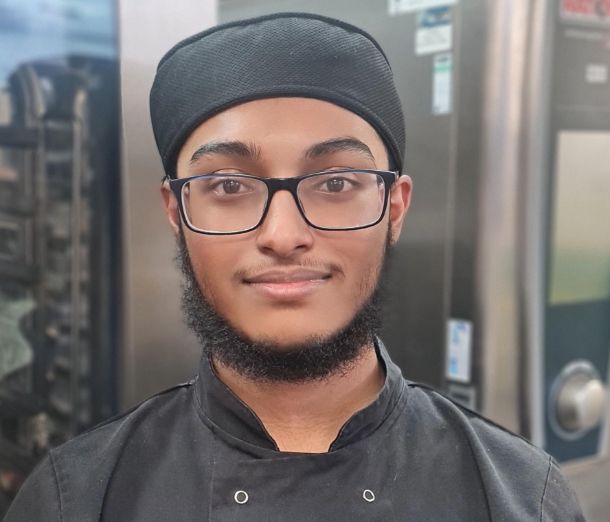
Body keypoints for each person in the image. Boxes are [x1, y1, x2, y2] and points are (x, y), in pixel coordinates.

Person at [5, 12, 585, 521]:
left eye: (336, 182)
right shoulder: (74, 498)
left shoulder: (520, 497)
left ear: (395, 207)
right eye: (228, 184)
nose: (283, 235)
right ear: (176, 212)